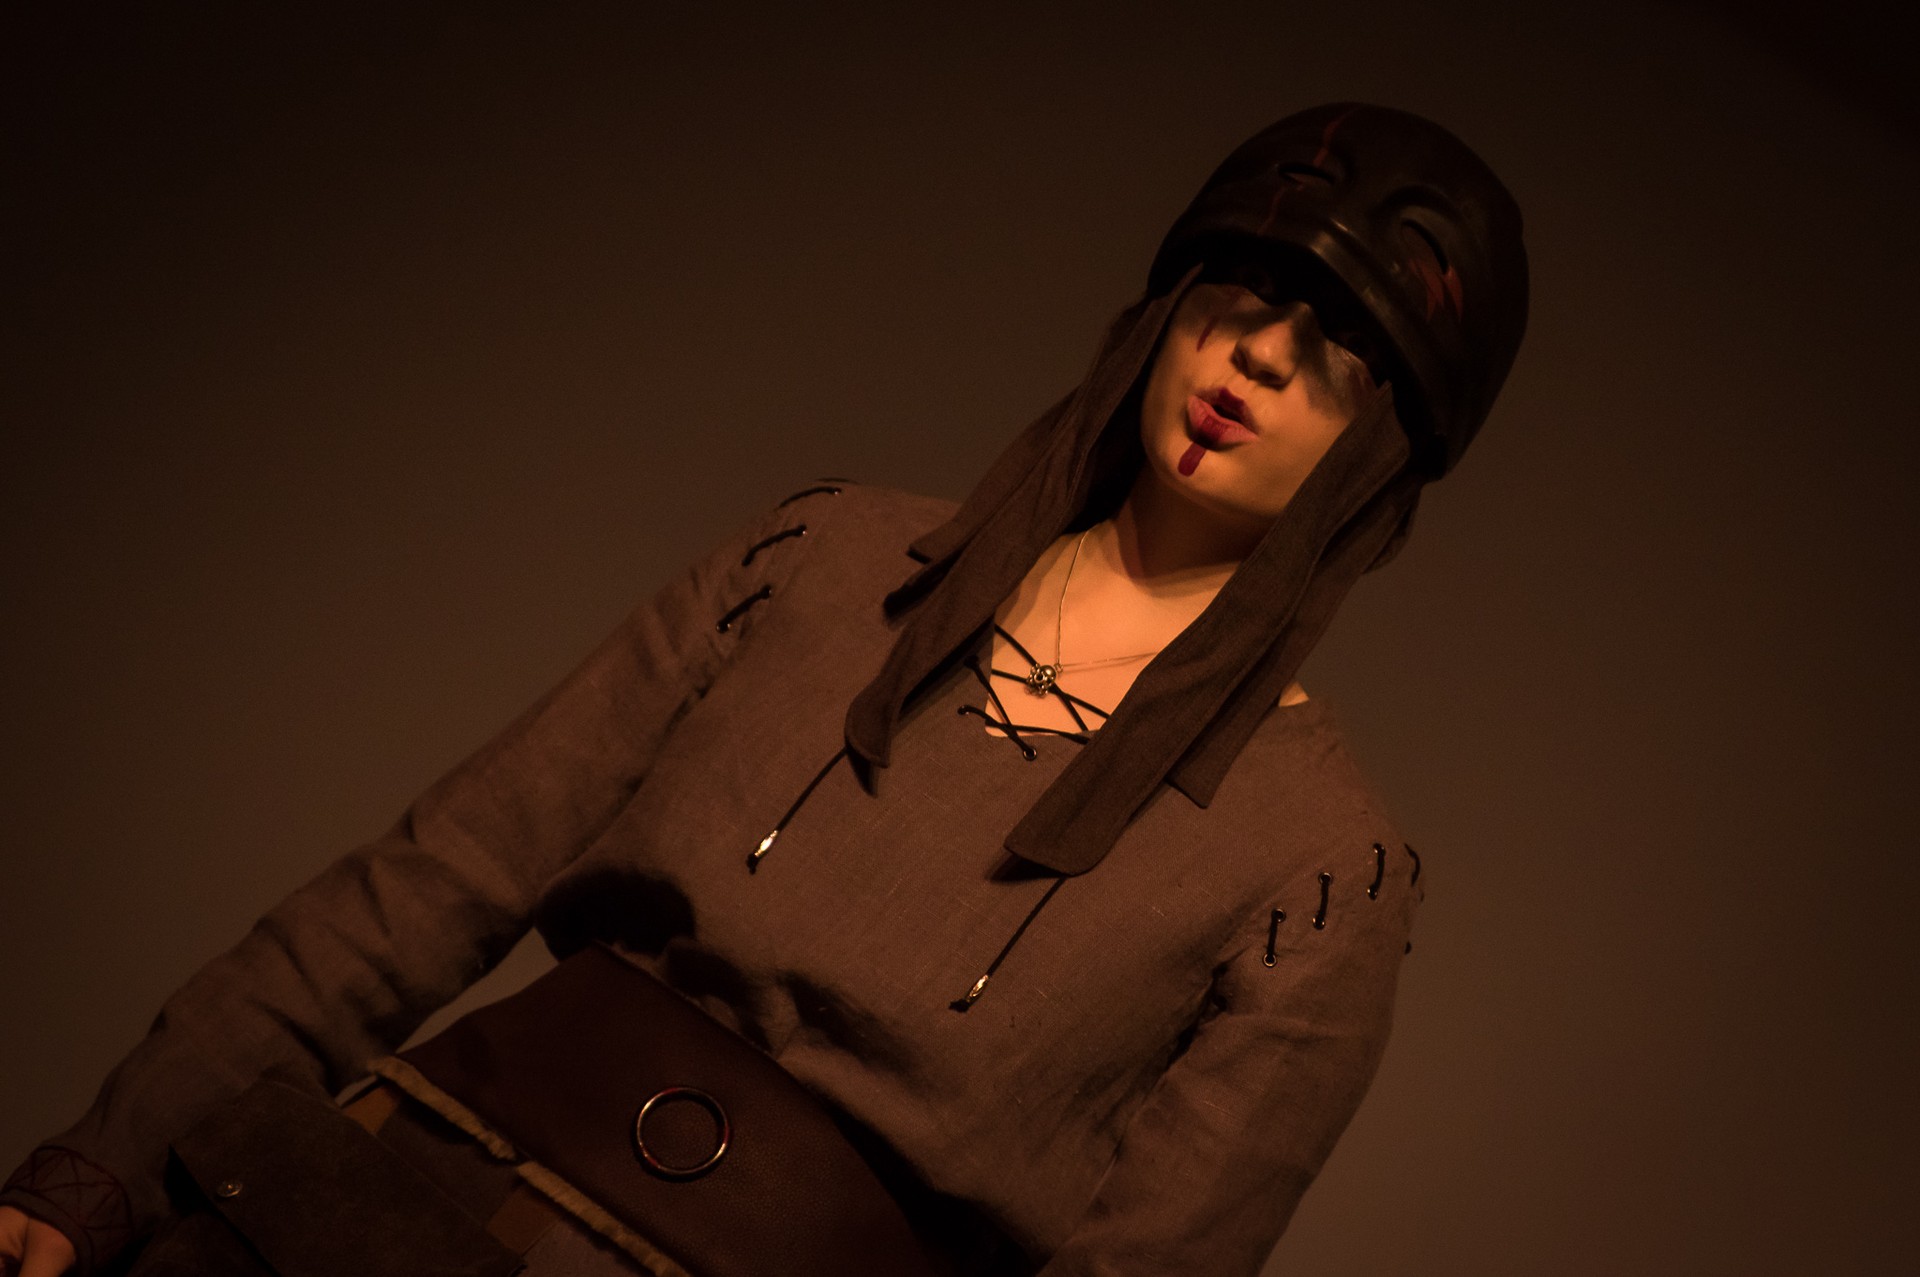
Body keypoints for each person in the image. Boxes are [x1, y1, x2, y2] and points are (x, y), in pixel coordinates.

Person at [0, 102, 1528, 1277]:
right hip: (378, 1208)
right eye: (1242, 291)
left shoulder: (1319, 871)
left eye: (1336, 352)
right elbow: (433, 880)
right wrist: (107, 1162)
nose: (1257, 356)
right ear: (1167, 307)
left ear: (1386, 451)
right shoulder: (827, 561)